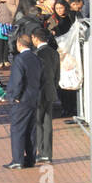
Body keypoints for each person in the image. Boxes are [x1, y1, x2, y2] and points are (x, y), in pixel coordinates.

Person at [4, 33, 42, 169]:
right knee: (31, 130)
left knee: (17, 129)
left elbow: (18, 81)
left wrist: (15, 96)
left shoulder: (20, 60)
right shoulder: (36, 58)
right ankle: (30, 158)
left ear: (19, 44)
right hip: (34, 98)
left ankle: (17, 160)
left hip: (22, 100)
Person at [32, 26, 60, 164]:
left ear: (36, 38)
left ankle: (40, 151)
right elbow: (57, 75)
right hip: (50, 91)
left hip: (39, 93)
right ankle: (47, 153)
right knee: (47, 122)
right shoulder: (54, 53)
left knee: (38, 122)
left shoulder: (36, 54)